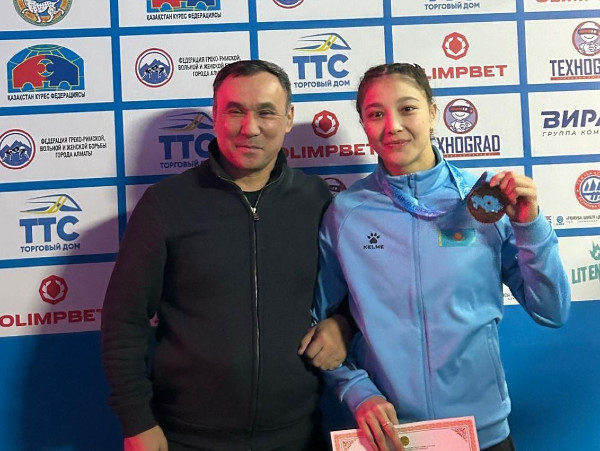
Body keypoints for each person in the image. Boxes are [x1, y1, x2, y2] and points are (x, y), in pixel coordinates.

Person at [312, 63, 571, 451]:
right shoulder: (347, 213)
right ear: (363, 124)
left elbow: (552, 311)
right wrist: (357, 392)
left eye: (408, 108)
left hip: (482, 433)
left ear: (433, 113)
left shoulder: (485, 200)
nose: (393, 126)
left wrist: (529, 225)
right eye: (376, 114)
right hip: (391, 436)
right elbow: (319, 324)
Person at [101, 59, 354, 451]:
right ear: (216, 115)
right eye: (235, 111)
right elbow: (123, 318)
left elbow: (359, 291)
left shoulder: (317, 199)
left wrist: (343, 324)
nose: (249, 128)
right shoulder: (166, 204)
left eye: (266, 112)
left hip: (298, 435)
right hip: (186, 438)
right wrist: (136, 422)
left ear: (288, 118)